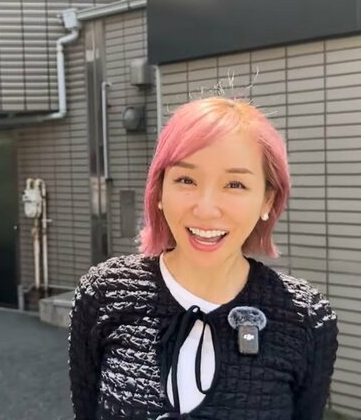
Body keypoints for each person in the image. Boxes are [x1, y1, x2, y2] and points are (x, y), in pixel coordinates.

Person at [68, 96, 339, 419]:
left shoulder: (303, 315)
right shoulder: (105, 292)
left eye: (235, 184)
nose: (206, 209)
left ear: (267, 200)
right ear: (159, 190)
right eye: (186, 180)